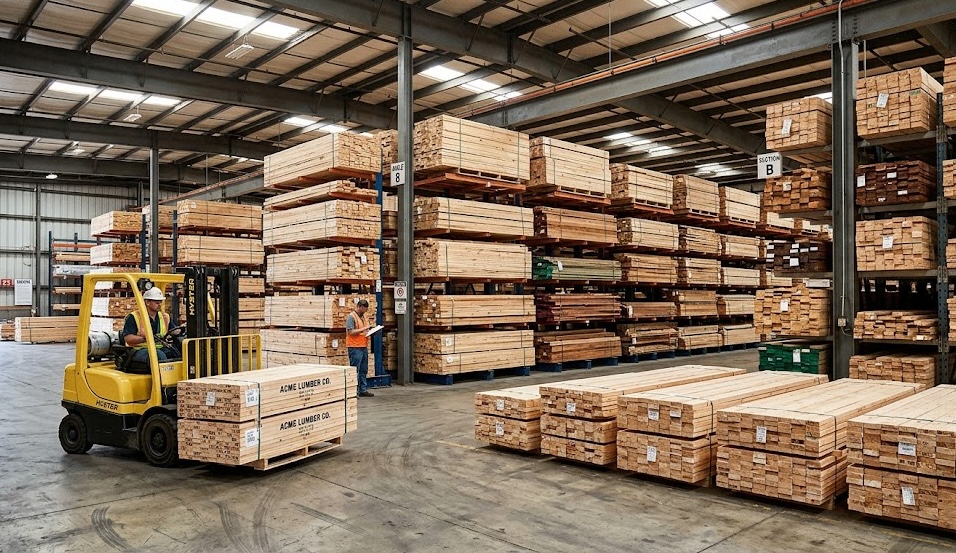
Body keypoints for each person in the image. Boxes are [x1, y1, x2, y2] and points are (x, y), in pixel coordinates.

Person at [122, 287, 178, 364]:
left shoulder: (164, 317)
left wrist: (181, 331)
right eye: (157, 302)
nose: (159, 304)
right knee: (158, 355)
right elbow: (128, 338)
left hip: (159, 348)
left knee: (177, 352)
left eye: (160, 302)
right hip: (139, 350)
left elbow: (174, 331)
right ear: (147, 302)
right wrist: (147, 338)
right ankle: (163, 376)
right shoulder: (134, 317)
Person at [345, 299, 374, 397]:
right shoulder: (351, 317)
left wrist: (372, 331)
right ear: (360, 307)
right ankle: (353, 391)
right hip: (354, 347)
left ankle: (362, 389)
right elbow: (350, 332)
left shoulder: (364, 316)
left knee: (363, 370)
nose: (365, 311)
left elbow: (365, 330)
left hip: (363, 346)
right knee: (355, 370)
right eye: (364, 309)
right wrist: (364, 329)